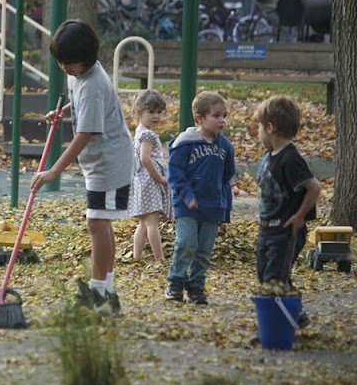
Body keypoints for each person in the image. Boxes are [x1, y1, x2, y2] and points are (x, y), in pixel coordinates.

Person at [31, 20, 133, 315]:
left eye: (67, 63)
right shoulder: (81, 74)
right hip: (100, 162)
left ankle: (98, 293)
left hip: (110, 162)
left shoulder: (91, 84)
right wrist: (62, 112)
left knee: (96, 224)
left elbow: (84, 134)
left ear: (83, 60)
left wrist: (54, 170)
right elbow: (81, 105)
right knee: (101, 224)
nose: (64, 68)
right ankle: (106, 292)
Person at [253, 95, 321, 328]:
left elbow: (314, 188)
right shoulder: (268, 156)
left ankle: (277, 327)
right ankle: (295, 314)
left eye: (260, 128)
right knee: (266, 276)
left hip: (286, 231)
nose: (258, 133)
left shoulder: (290, 160)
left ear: (270, 128)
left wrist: (299, 216)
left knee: (275, 280)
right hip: (267, 230)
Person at [165, 91, 235, 304]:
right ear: (200, 118)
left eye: (224, 115)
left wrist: (225, 211)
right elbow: (175, 174)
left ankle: (196, 287)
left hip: (213, 207)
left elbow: (226, 178)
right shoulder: (185, 143)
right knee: (186, 243)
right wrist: (187, 195)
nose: (222, 120)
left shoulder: (225, 146)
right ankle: (175, 281)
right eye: (216, 115)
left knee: (204, 251)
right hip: (188, 206)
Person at [128, 90, 172, 262]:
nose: (156, 116)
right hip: (149, 182)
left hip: (141, 181)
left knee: (144, 223)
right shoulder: (148, 134)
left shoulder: (140, 131)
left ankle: (136, 256)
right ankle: (159, 258)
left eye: (159, 112)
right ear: (139, 112)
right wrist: (160, 178)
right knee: (152, 222)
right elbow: (145, 158)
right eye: (151, 112)